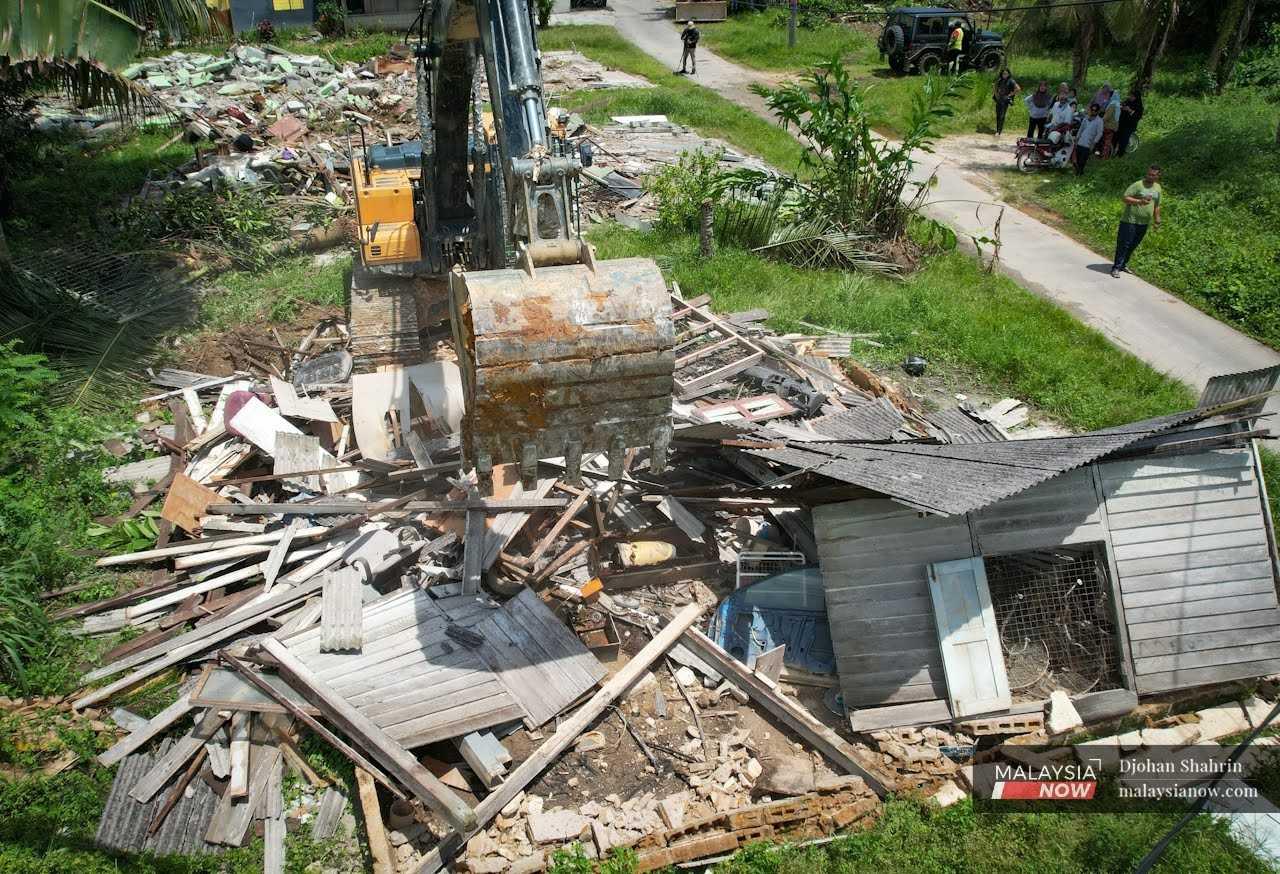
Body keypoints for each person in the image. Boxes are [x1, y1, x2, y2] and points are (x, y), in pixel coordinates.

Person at [1111, 165, 1162, 278]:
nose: (1150, 176)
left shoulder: (1158, 188)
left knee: (1134, 244)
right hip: (1129, 221)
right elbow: (1125, 198)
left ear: (1158, 176)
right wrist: (1140, 201)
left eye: (1153, 175)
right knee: (1124, 244)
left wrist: (1157, 219)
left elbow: (1157, 205)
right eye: (1148, 174)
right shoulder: (1138, 185)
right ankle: (1116, 267)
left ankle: (1123, 264)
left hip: (1144, 223)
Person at [1073, 103, 1104, 175]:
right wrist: (1077, 138)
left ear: (1098, 111)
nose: (1093, 111)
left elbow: (1100, 133)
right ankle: (1077, 173)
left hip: (1088, 143)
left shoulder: (1099, 121)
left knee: (1082, 160)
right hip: (1081, 141)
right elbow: (1081, 129)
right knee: (1077, 159)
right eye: (1092, 110)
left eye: (1095, 110)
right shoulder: (1086, 118)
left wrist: (1094, 143)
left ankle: (1080, 173)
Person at [1115, 90, 1144, 156]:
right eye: (1130, 95)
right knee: (1116, 137)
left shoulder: (1139, 106)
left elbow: (1137, 116)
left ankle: (1120, 155)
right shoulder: (1128, 101)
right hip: (1121, 123)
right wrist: (1121, 106)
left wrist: (1130, 110)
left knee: (1124, 140)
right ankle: (1113, 152)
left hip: (1129, 126)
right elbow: (1122, 105)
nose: (1130, 97)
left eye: (1132, 96)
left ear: (1136, 97)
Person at [992, 68, 1020, 136]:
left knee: (1002, 115)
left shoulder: (1011, 81)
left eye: (1006, 73)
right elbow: (995, 89)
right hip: (999, 99)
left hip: (1005, 100)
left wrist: (1009, 95)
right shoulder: (1000, 80)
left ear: (1008, 74)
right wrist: (995, 93)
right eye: (1003, 73)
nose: (1004, 75)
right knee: (998, 115)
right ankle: (997, 130)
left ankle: (998, 131)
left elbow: (1018, 89)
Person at [1100, 91, 1121, 157]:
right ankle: (1105, 155)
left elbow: (1107, 116)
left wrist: (1101, 121)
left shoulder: (1112, 105)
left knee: (1105, 142)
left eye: (1109, 95)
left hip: (1108, 126)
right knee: (1108, 142)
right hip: (1113, 127)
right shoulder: (1118, 105)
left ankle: (1103, 155)